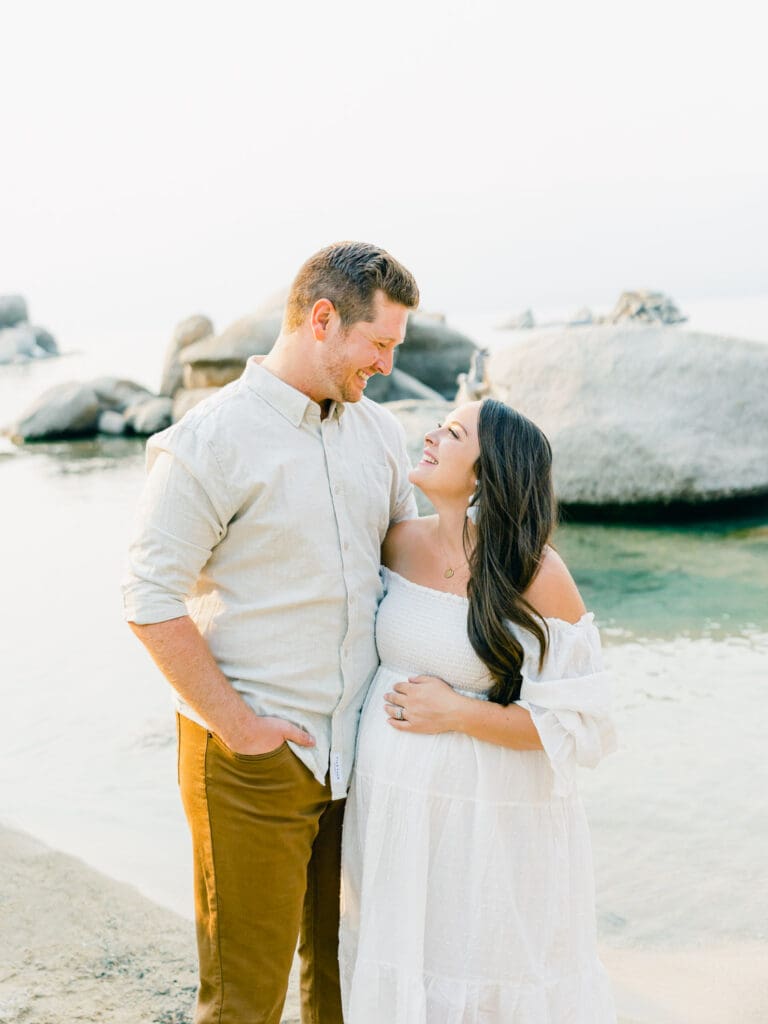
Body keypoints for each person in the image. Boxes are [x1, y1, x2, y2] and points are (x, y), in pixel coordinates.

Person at [122, 241, 420, 1024]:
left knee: (347, 983)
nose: (387, 364)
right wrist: (240, 726)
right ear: (322, 319)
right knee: (244, 1001)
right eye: (379, 343)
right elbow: (148, 598)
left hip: (359, 756)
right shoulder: (208, 441)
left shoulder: (381, 435)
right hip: (254, 761)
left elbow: (410, 572)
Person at [339, 398, 618, 1023]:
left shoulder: (535, 572)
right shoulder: (395, 543)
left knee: (485, 976)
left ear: (485, 472)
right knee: (401, 969)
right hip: (393, 815)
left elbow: (582, 725)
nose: (432, 435)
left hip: (491, 827)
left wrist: (457, 713)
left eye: (454, 432)